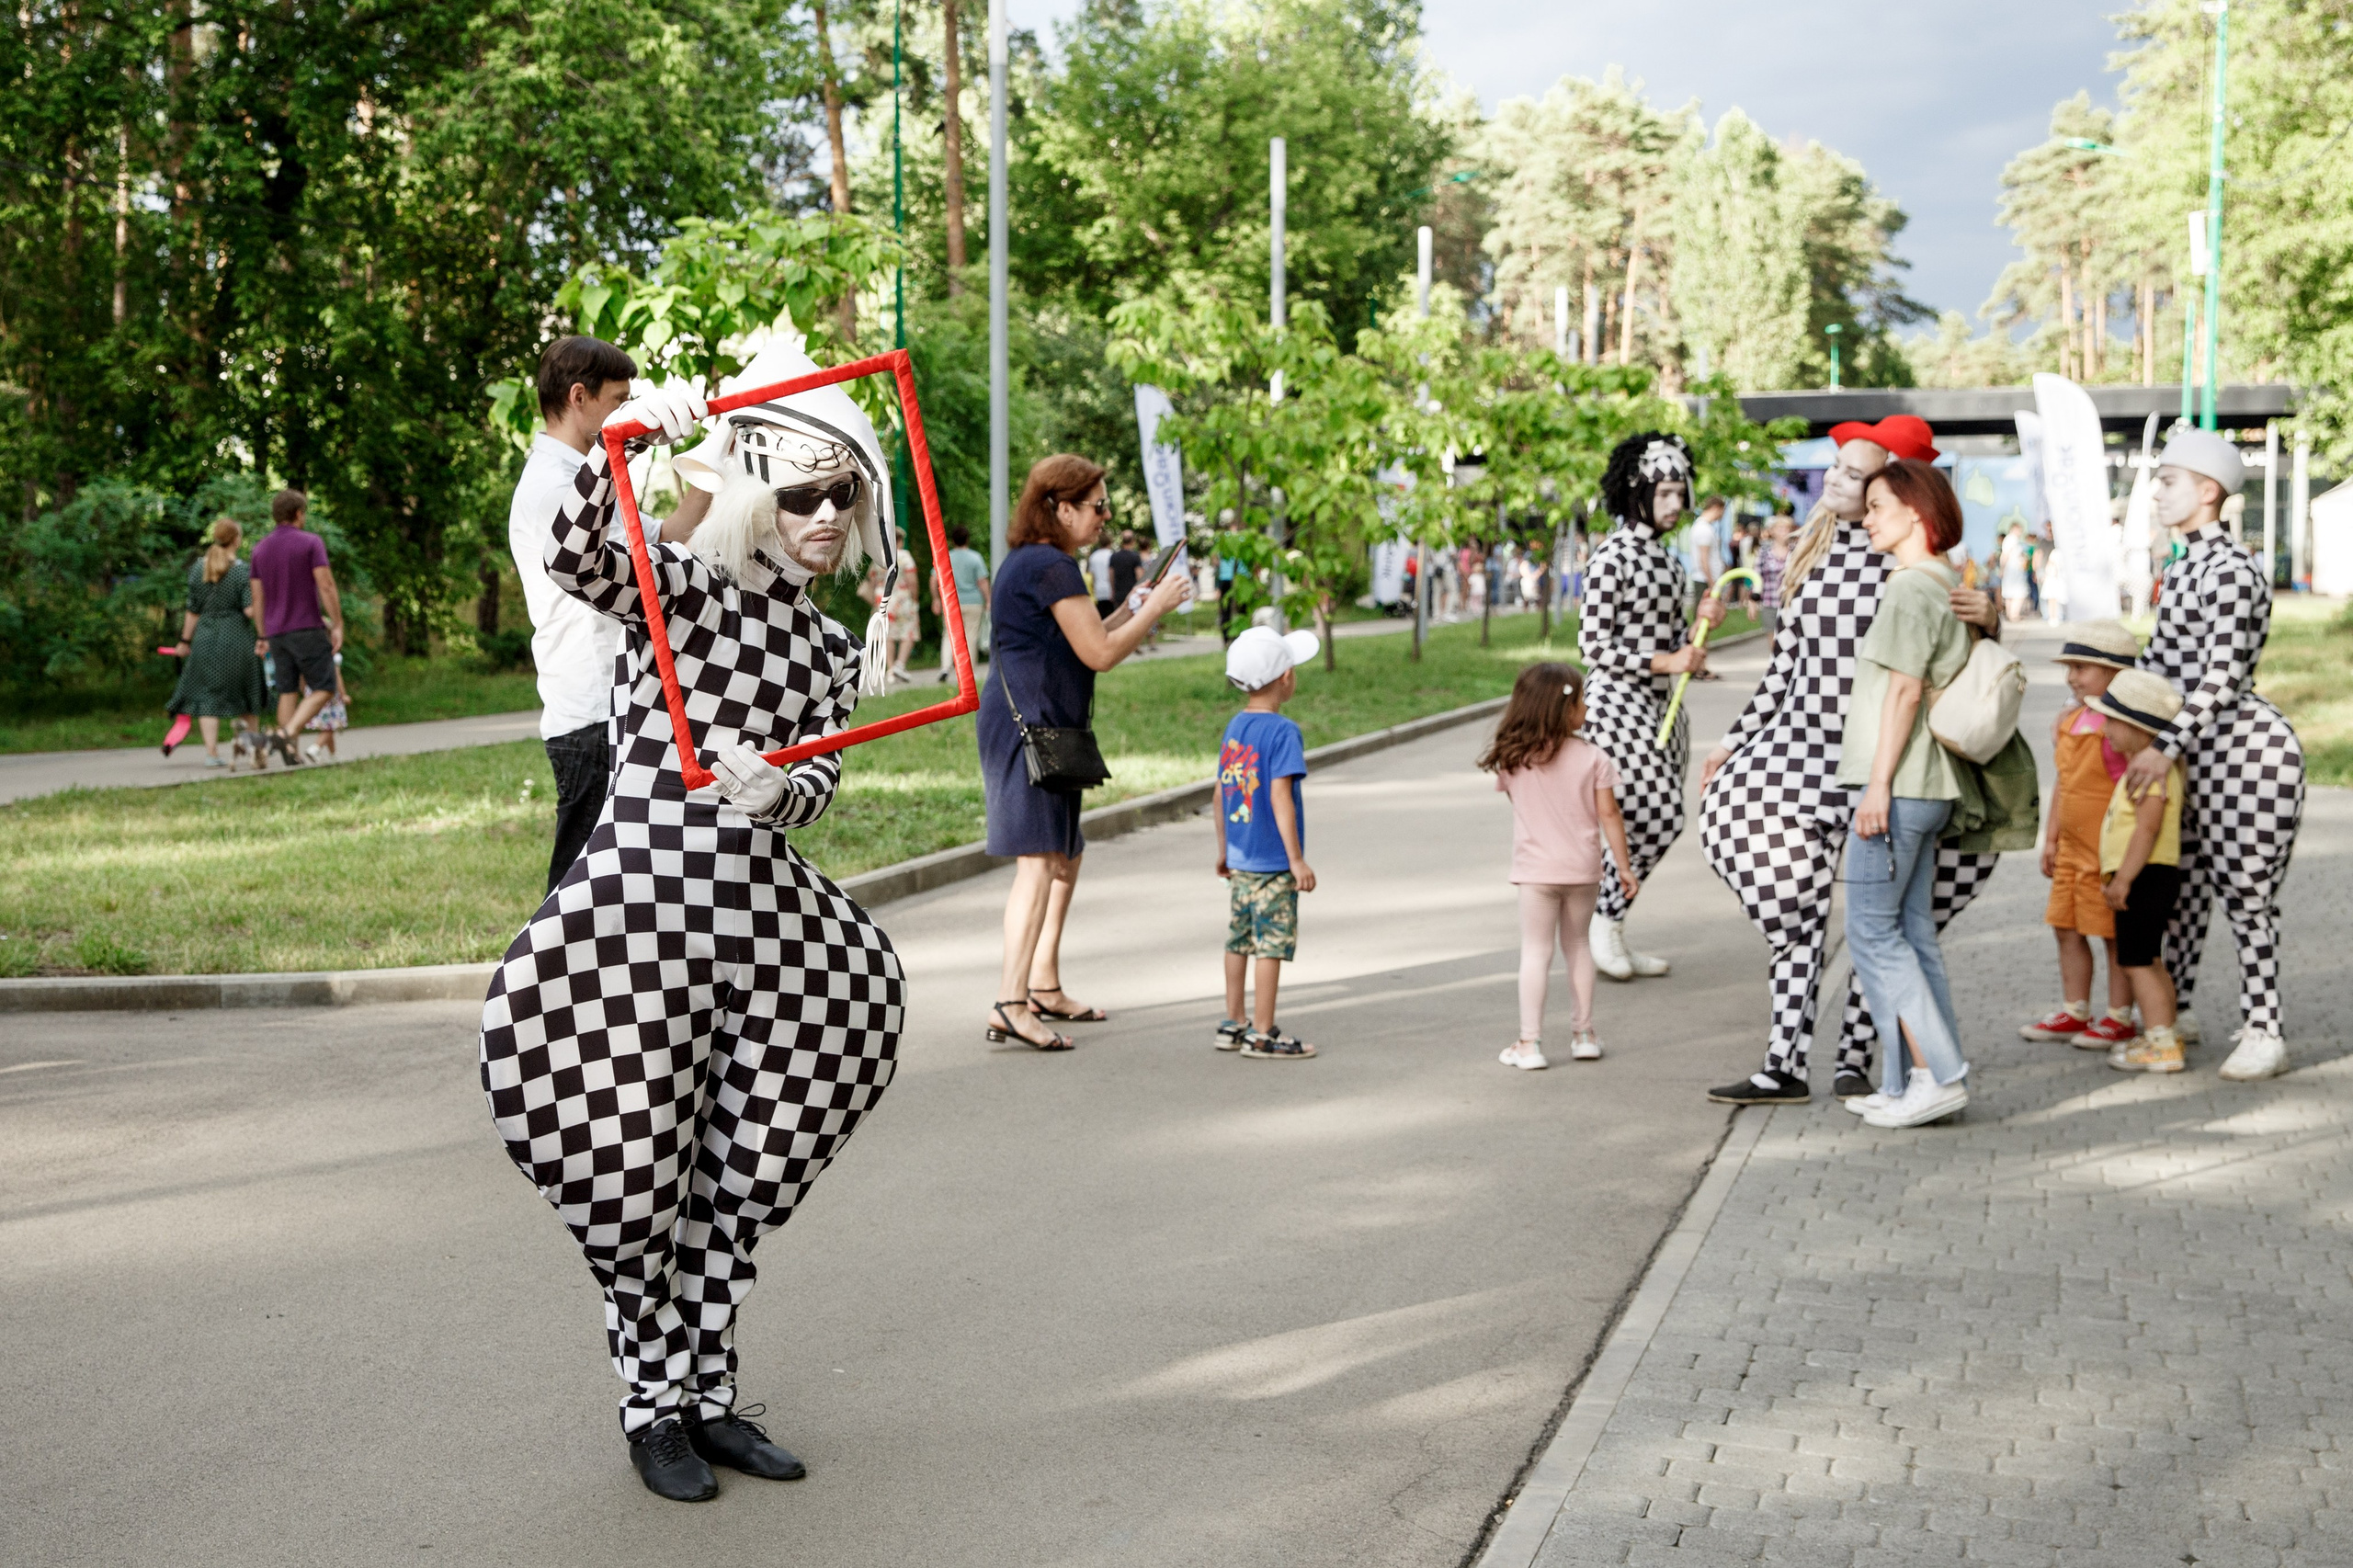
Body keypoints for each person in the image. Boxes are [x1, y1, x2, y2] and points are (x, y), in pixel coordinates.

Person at [479, 348, 904, 1503]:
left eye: (845, 493)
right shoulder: (677, 586)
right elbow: (574, 553)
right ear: (757, 487)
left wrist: (787, 790)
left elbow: (819, 775)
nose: (826, 515)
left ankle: (708, 1398)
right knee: (634, 1167)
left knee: (735, 1174)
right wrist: (623, 447)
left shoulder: (823, 645)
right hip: (638, 923)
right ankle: (647, 1408)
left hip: (762, 924)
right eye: (804, 490)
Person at [1698, 416, 2004, 1106]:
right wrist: (1731, 741)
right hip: (1811, 760)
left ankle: (1873, 1064)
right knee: (1809, 920)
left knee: (1885, 927)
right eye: (1833, 468)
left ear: (1892, 492)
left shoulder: (1913, 572)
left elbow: (1940, 667)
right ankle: (1791, 1061)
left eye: (1852, 473)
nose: (1833, 480)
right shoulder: (1817, 556)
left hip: (1883, 770)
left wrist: (1989, 616)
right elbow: (1783, 672)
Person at [979, 454, 1195, 1051]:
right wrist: (1154, 608)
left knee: (1065, 855)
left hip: (1047, 723)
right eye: (1096, 505)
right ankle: (1010, 1000)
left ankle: (1042, 983)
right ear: (1061, 507)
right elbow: (1099, 653)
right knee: (1040, 862)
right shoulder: (1051, 565)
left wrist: (1132, 603)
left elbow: (1084, 635)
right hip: (1032, 726)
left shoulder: (1039, 563)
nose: (1104, 516)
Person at [2124, 428, 2305, 1080]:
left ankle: (2265, 1028)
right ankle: (2182, 1012)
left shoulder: (2228, 569)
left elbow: (2221, 677)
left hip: (2244, 753)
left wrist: (2161, 745)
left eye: (2168, 480)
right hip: (2197, 752)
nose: (2157, 491)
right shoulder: (2185, 566)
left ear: (2208, 491)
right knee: (2186, 889)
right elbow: (2162, 664)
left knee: (2245, 894)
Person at [509, 335, 718, 894]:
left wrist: (710, 467)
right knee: (579, 893)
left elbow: (671, 537)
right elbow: (646, 572)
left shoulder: (588, 478)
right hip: (592, 710)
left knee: (626, 884)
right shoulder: (557, 486)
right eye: (621, 400)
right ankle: (542, 981)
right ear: (580, 397)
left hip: (617, 704)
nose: (632, 413)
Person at [1833, 461, 1975, 1130]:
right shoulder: (1947, 583)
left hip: (1900, 784)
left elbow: (1904, 690)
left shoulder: (1910, 589)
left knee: (1872, 933)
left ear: (1916, 511)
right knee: (1912, 936)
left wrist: (1878, 786)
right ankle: (1902, 1081)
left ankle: (1936, 1075)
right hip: (1929, 785)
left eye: (1880, 505)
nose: (1868, 517)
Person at [1578, 431, 1723, 981]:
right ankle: (1604, 919)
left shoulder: (1669, 562)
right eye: (1664, 493)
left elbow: (1674, 642)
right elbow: (1592, 647)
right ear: (1636, 491)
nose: (1676, 504)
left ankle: (1609, 922)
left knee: (1649, 818)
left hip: (1666, 708)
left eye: (1679, 492)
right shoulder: (1611, 556)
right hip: (1617, 704)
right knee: (1661, 814)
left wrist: (1702, 630)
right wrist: (1668, 663)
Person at [1480, 663, 1638, 1069]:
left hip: (1536, 872)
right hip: (1583, 869)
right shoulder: (1593, 758)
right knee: (1579, 946)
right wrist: (1624, 866)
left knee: (1536, 951)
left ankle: (1529, 1043)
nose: (1587, 708)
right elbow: (1610, 815)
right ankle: (1584, 1034)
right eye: (1582, 700)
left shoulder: (1514, 758)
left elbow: (1522, 807)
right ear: (1564, 709)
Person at [2023, 621, 2143, 1051]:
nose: (2073, 676)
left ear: (2117, 675)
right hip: (2072, 848)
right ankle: (2075, 1009)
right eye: (2069, 667)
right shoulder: (2069, 718)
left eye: (2082, 667)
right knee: (2067, 928)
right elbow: (2064, 782)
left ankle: (2118, 1016)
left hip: (2106, 850)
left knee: (2111, 933)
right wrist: (2051, 838)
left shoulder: (2121, 728)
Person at [1211, 625, 1320, 1060]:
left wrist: (1223, 850)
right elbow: (1279, 795)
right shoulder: (1284, 732)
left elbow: (1221, 792)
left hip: (1239, 859)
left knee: (1239, 939)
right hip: (1273, 861)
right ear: (1287, 678)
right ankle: (1262, 1032)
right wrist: (1297, 860)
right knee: (1270, 943)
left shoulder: (1235, 727)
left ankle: (1232, 1021)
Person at [2087, 670, 2190, 1074]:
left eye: (2111, 721)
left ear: (2137, 727)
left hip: (2145, 877)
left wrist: (2125, 878)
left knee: (2136, 962)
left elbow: (2147, 828)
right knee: (2148, 958)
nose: (2105, 728)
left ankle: (2162, 1045)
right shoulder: (2143, 769)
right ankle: (2164, 1033)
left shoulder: (2150, 774)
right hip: (2146, 877)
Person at [248, 488, 345, 767]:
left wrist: (262, 634)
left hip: (276, 633)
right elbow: (326, 585)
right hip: (306, 627)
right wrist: (337, 623)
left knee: (287, 691)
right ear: (299, 513)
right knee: (325, 687)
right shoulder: (311, 543)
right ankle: (285, 734)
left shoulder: (260, 549)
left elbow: (257, 597)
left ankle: (290, 753)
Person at [165, 517, 269, 768]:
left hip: (205, 639)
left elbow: (192, 610)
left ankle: (211, 754)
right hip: (237, 640)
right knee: (247, 696)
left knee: (207, 697)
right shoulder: (242, 570)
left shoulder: (199, 568)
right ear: (236, 540)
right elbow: (248, 611)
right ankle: (255, 752)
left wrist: (184, 641)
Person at [938, 522, 991, 679]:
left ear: (952, 541)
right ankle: (968, 670)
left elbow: (934, 578)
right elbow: (982, 581)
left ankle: (945, 667)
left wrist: (936, 598)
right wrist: (988, 600)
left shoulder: (946, 557)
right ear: (967, 539)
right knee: (970, 636)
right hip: (973, 602)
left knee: (949, 634)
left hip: (951, 601)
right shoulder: (975, 558)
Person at [301, 653, 350, 762]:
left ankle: (333, 754)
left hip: (314, 692)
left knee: (328, 726)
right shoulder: (332, 655)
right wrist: (343, 694)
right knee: (331, 726)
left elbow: (303, 676)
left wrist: (305, 692)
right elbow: (336, 675)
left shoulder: (309, 653)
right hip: (330, 694)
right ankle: (315, 748)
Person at [1999, 522, 2031, 622]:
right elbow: (2005, 555)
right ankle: (2014, 615)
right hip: (2013, 570)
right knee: (2019, 592)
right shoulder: (2011, 539)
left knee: (2011, 593)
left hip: (2013, 570)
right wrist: (2002, 569)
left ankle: (2011, 614)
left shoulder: (2011, 539)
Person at [1089, 534, 1117, 617]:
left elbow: (1092, 575)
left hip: (1098, 590)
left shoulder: (1093, 557)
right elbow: (1113, 573)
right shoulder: (1111, 555)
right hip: (1110, 589)